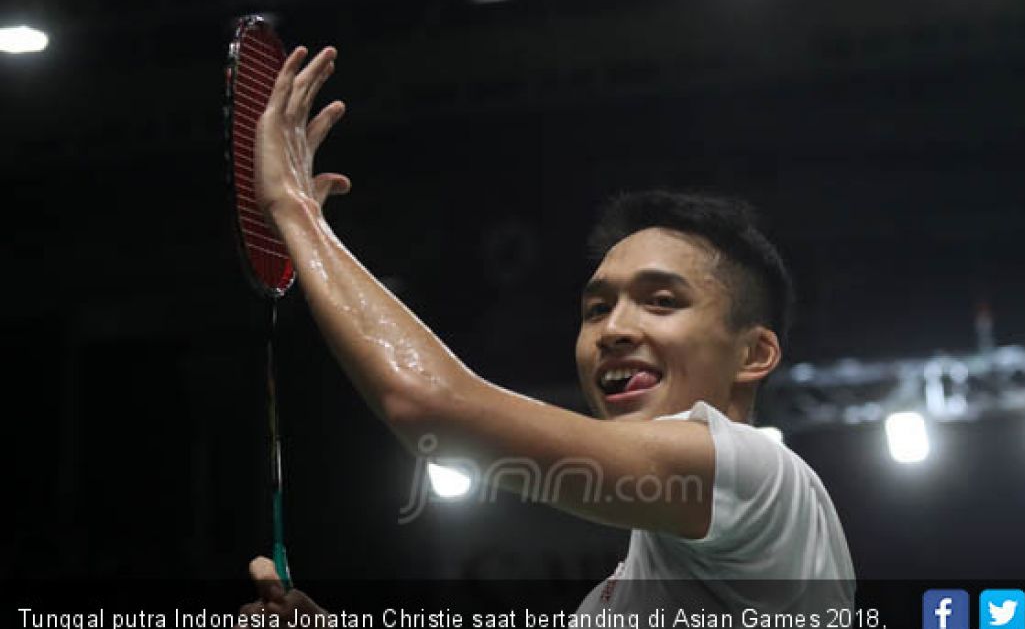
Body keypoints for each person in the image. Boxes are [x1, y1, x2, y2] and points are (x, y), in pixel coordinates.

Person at [237, 45, 854, 623]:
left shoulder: (758, 473)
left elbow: (430, 406)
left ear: (754, 354)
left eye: (661, 301)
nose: (613, 329)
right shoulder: (620, 593)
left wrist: (295, 210)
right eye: (596, 309)